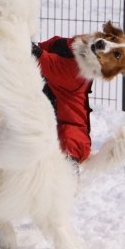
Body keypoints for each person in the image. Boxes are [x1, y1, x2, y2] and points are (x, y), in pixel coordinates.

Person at [31, 37, 93, 166]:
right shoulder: (63, 46)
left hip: (72, 134)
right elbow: (42, 50)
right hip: (55, 120)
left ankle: (71, 178)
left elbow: (40, 57)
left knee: (68, 144)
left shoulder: (74, 72)